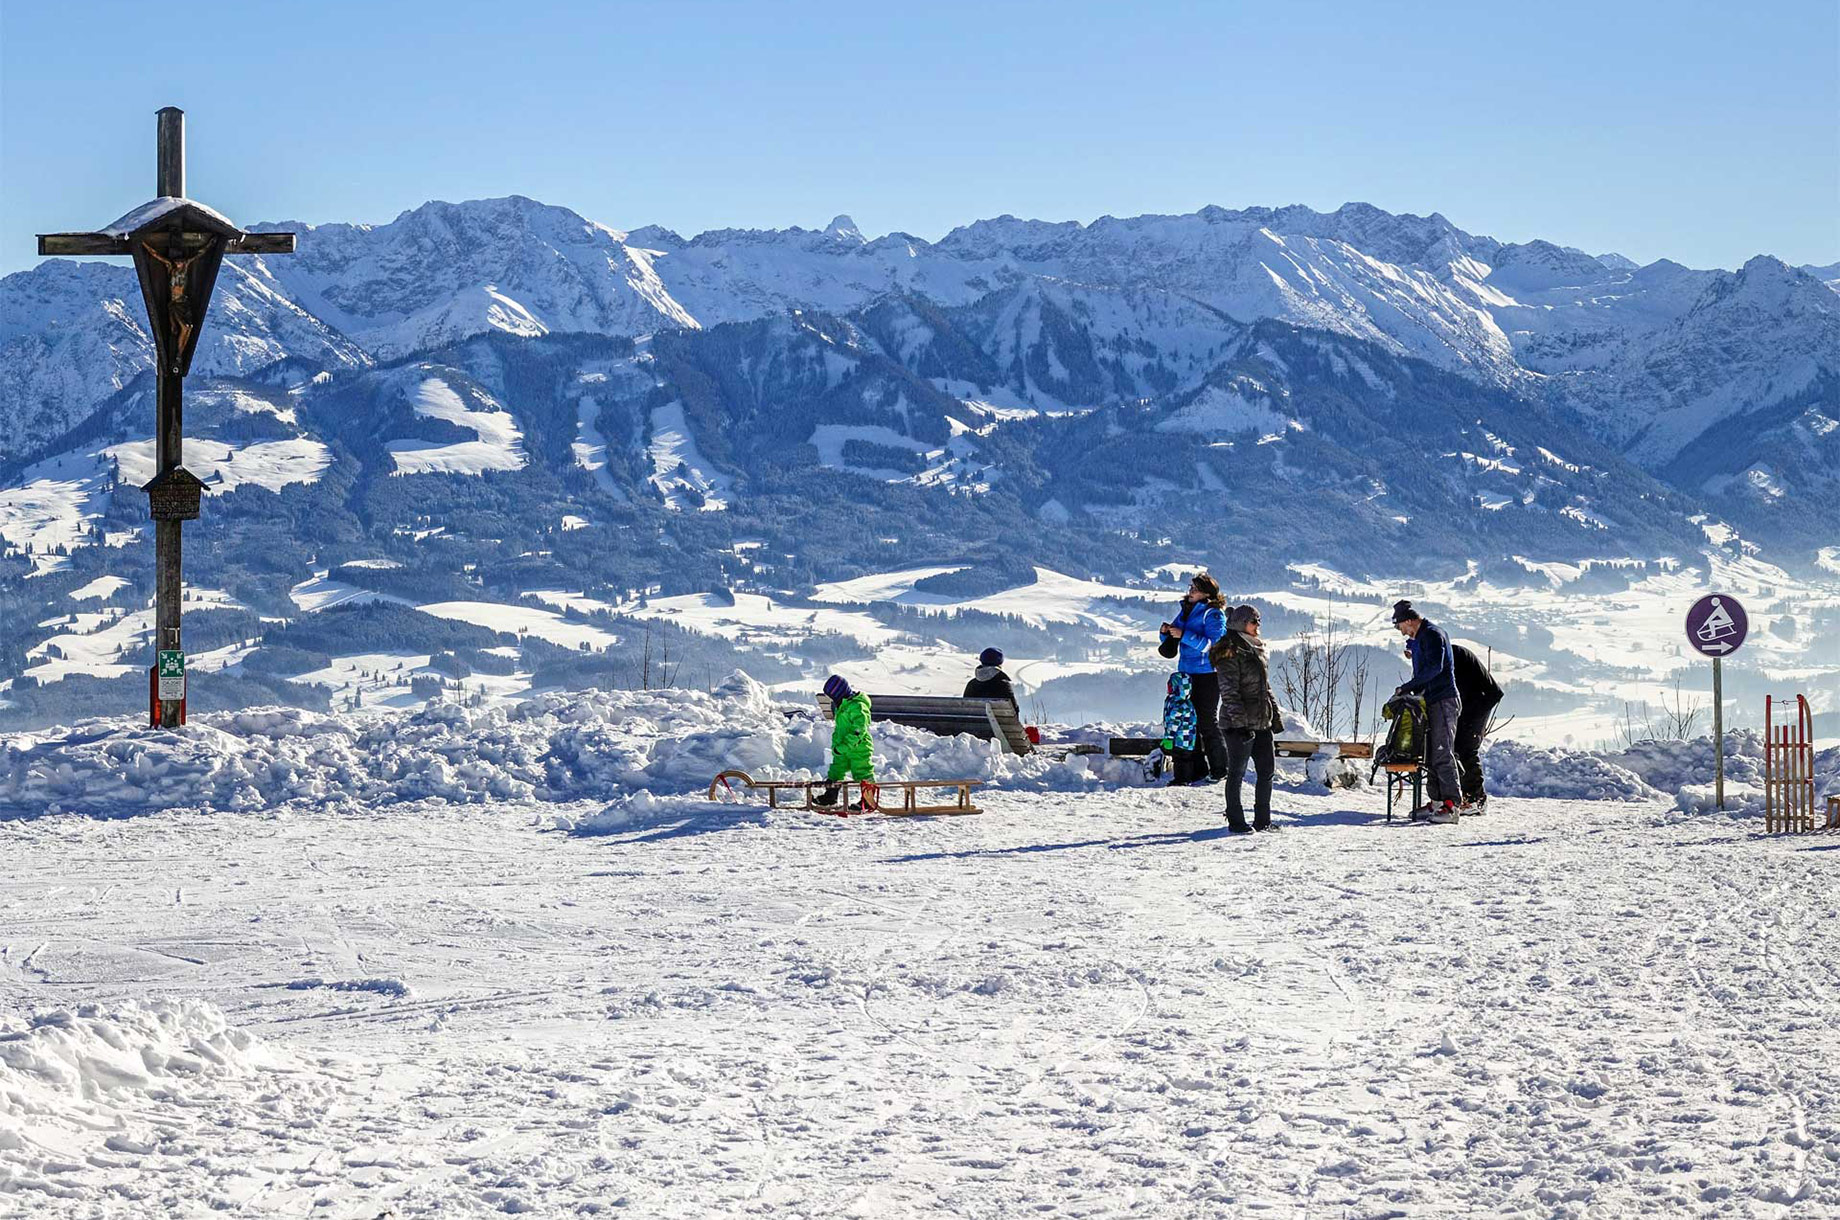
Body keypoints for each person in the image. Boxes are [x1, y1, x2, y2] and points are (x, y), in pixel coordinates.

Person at [1208, 604, 1280, 833]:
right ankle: (1236, 821)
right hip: (1236, 724)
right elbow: (1229, 692)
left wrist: (1275, 715)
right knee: (1237, 772)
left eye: (1258, 621)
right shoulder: (1229, 651)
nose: (1258, 626)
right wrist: (1240, 725)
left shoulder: (1257, 649)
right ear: (1241, 624)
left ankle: (1263, 820)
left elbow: (1264, 687)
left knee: (1266, 770)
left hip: (1261, 720)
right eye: (1253, 621)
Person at [1392, 601, 1462, 824]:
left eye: (1400, 626)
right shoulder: (1422, 637)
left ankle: (1452, 806)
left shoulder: (1433, 634)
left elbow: (1435, 667)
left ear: (1410, 620)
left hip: (1443, 700)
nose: (1401, 631)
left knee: (1442, 751)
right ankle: (1437, 802)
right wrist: (1411, 649)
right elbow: (1418, 647)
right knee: (1430, 753)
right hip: (1431, 701)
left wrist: (1408, 686)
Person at [1157, 574, 1229, 784]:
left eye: (1195, 589)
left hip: (1207, 674)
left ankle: (1219, 769)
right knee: (1189, 723)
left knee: (1206, 722)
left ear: (1207, 594)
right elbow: (1175, 635)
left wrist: (1184, 634)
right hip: (1186, 672)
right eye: (1191, 588)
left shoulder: (1214, 614)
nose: (1191, 592)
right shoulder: (1186, 611)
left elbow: (1215, 645)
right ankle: (1197, 769)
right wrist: (1165, 634)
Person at [1451, 643, 1503, 813]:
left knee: (1466, 747)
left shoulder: (1447, 654)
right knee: (1459, 746)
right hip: (1473, 700)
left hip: (1481, 700)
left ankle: (1476, 801)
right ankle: (1471, 798)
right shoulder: (1447, 651)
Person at [814, 674, 877, 812]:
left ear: (839, 693)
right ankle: (830, 796)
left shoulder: (858, 706)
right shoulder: (842, 706)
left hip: (859, 748)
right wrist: (838, 745)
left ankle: (868, 801)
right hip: (841, 747)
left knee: (862, 772)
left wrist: (846, 745)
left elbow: (859, 730)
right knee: (836, 771)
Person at [963, 648, 1019, 712]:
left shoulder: (971, 685)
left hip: (972, 722)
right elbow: (1014, 712)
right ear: (999, 664)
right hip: (997, 722)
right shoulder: (1003, 685)